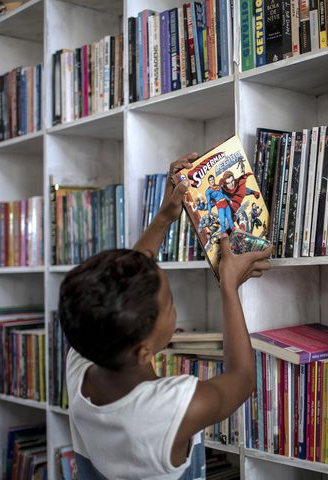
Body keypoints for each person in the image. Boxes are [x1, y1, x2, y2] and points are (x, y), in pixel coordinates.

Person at [59, 153, 272, 480]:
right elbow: (242, 380)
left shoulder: (84, 359)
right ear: (143, 350)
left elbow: (131, 273)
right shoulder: (171, 407)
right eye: (170, 303)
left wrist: (164, 217)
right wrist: (229, 286)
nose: (174, 307)